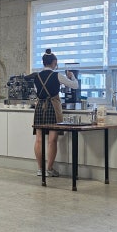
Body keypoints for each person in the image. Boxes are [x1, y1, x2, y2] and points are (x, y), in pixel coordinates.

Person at [32, 48, 78, 177]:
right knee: (52, 140)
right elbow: (75, 86)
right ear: (54, 62)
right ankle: (49, 169)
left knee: (39, 140)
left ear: (43, 62)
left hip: (39, 107)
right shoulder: (57, 75)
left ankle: (40, 169)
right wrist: (72, 77)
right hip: (52, 107)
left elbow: (36, 92)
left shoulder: (36, 76)